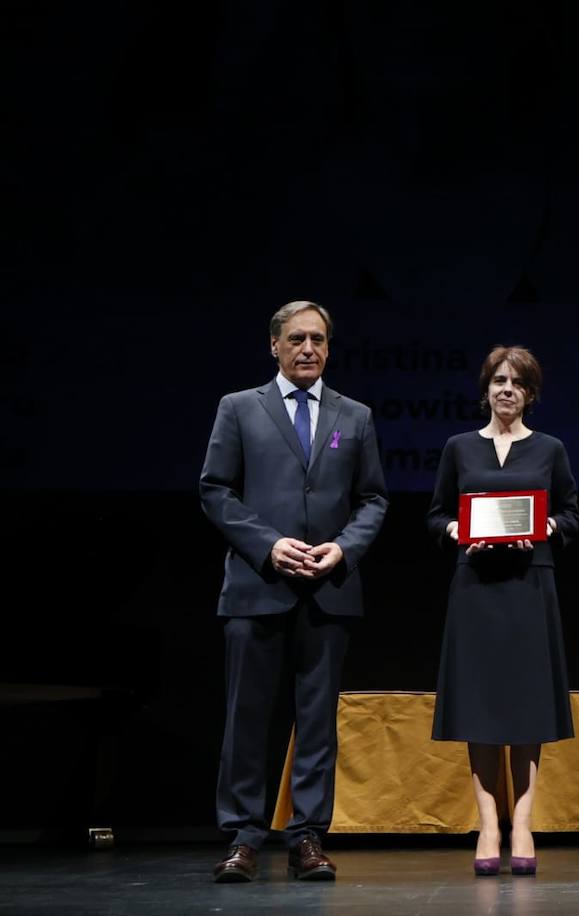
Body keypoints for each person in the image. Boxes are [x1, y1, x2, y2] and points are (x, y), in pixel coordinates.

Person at [200, 300, 389, 883]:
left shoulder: (354, 415)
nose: (308, 349)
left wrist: (344, 549)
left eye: (318, 340)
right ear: (275, 346)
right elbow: (215, 490)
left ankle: (307, 836)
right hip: (258, 586)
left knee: (316, 721)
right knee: (247, 718)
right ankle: (243, 837)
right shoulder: (239, 408)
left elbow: (373, 499)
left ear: (329, 348)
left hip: (327, 589)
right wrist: (268, 544)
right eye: (297, 339)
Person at [427, 345, 579, 877]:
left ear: (531, 394)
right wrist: (453, 530)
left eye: (517, 382)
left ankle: (523, 822)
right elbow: (437, 514)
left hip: (529, 587)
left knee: (527, 709)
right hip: (475, 589)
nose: (507, 389)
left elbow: (571, 515)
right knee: (481, 710)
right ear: (485, 388)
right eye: (498, 380)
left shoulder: (550, 449)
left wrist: (546, 529)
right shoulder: (459, 448)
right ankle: (488, 823)